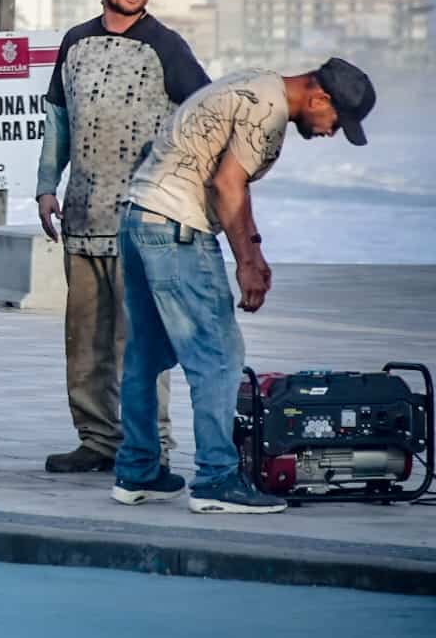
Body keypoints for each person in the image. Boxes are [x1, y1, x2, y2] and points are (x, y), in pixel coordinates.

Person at [112, 58, 376, 515]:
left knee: (147, 352)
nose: (333, 133)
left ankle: (137, 472)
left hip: (139, 215)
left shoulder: (254, 82)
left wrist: (254, 250)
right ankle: (217, 478)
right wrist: (247, 263)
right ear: (319, 98)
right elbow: (228, 184)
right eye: (337, 122)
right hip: (177, 226)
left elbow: (223, 176)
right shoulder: (268, 112)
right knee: (218, 355)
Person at [35, 0, 209, 474]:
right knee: (84, 342)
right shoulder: (74, 43)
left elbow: (207, 116)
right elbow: (57, 122)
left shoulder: (167, 46)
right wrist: (46, 186)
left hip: (143, 226)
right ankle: (97, 439)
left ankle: (149, 446)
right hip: (81, 216)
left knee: (142, 346)